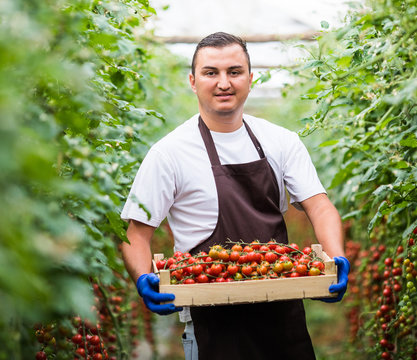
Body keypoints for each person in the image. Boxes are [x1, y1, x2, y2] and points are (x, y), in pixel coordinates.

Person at [121, 32, 350, 360]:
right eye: (210, 72)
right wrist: (144, 278)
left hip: (281, 313)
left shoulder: (280, 141)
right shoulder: (168, 153)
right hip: (211, 321)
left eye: (234, 72)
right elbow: (136, 235)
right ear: (193, 80)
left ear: (250, 79)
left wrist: (336, 257)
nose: (223, 83)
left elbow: (320, 207)